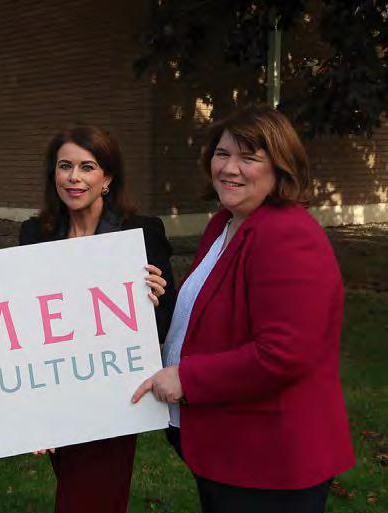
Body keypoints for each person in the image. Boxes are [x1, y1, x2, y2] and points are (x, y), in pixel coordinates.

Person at [132, 105, 355, 513]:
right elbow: (211, 312)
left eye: (248, 157)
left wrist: (186, 377)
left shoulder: (287, 235)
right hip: (229, 444)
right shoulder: (225, 223)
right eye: (222, 154)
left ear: (280, 167)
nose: (229, 168)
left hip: (271, 459)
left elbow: (284, 354)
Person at [19, 126, 176, 513]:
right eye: (64, 166)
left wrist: (154, 300)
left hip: (112, 393)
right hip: (54, 390)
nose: (74, 177)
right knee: (78, 489)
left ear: (107, 178)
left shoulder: (140, 233)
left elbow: (164, 323)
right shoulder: (35, 234)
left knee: (88, 498)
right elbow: (23, 319)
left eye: (87, 167)